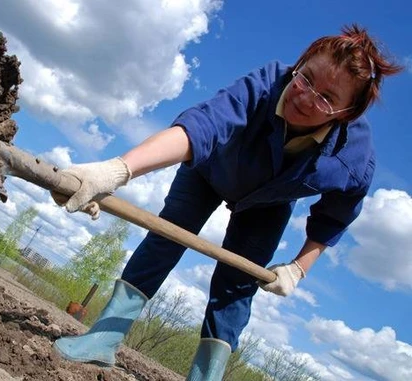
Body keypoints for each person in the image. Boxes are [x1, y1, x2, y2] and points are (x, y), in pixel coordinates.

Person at [51, 25, 402, 380]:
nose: (306, 98)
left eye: (327, 98)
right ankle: (103, 339)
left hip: (268, 202)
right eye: (306, 78)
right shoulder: (267, 84)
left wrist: (298, 269)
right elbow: (203, 125)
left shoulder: (353, 156)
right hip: (210, 167)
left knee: (238, 283)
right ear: (300, 65)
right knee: (167, 236)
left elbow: (336, 217)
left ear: (345, 114)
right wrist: (115, 171)